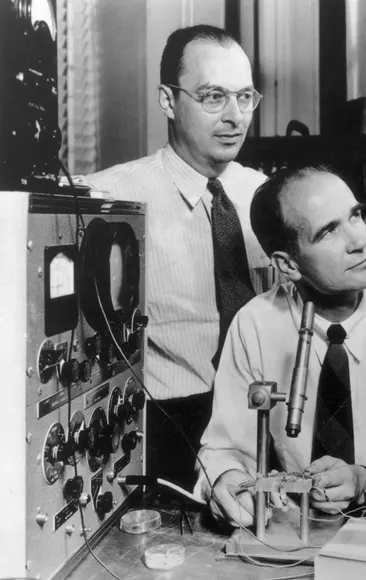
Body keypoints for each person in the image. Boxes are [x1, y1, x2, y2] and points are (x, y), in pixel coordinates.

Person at [194, 165, 366, 526]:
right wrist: (226, 479)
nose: (359, 241)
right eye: (328, 232)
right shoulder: (254, 324)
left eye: (355, 216)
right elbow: (224, 448)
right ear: (287, 265)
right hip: (295, 530)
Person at [87, 25, 273, 490]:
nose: (235, 116)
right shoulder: (110, 200)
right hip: (167, 432)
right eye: (214, 96)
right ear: (168, 100)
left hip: (262, 423)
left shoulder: (267, 197)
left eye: (245, 97)